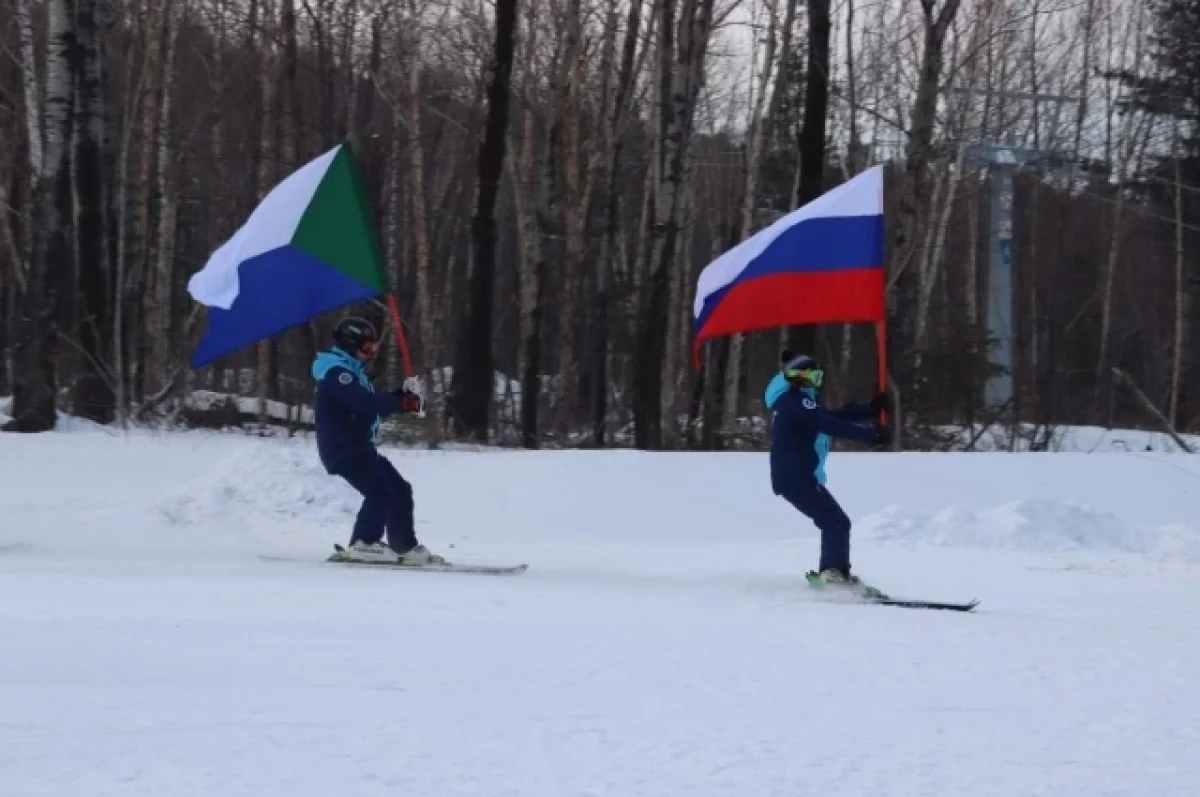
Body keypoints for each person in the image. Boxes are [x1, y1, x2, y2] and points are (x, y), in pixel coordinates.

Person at [311, 316, 444, 565]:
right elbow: (364, 403)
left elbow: (373, 401)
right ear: (350, 344)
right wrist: (402, 403)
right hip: (344, 447)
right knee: (379, 490)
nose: (370, 353)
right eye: (366, 347)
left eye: (373, 348)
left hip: (359, 446)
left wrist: (403, 396)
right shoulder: (336, 373)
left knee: (399, 490)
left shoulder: (352, 373)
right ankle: (364, 542)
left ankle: (404, 547)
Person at [764, 352, 892, 586]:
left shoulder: (794, 401)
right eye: (816, 375)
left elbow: (829, 416)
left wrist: (871, 409)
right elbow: (830, 424)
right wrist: (871, 436)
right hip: (798, 478)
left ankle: (836, 571)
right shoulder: (797, 402)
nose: (818, 380)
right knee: (836, 522)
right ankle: (833, 574)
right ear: (801, 376)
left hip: (796, 477)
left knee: (835, 522)